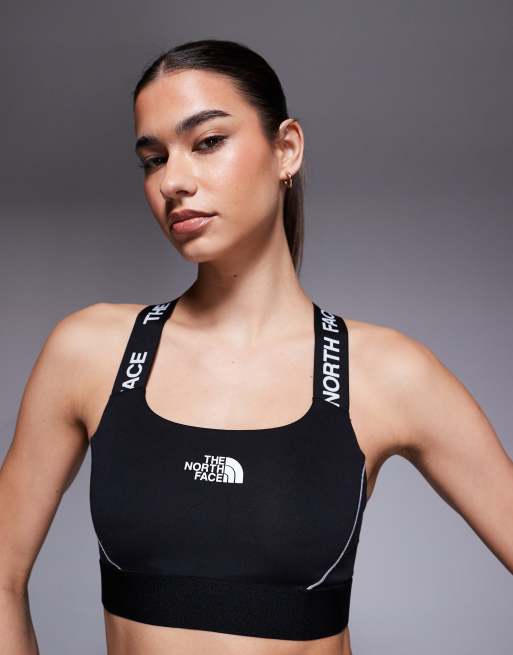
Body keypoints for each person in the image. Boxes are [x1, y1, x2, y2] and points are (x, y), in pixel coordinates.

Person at [1, 38, 512, 655]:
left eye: (208, 141)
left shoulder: (386, 372)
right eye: (153, 159)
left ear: (286, 149)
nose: (173, 181)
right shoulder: (89, 353)